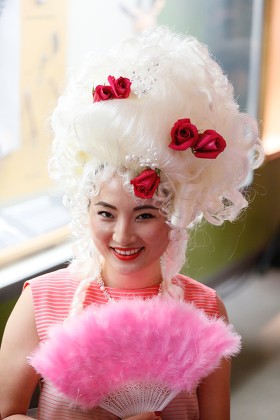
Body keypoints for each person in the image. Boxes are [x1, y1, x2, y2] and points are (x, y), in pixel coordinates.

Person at [0, 26, 263, 420]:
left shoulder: (205, 309)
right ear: (84, 209)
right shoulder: (41, 301)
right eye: (106, 213)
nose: (122, 235)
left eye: (145, 215)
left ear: (175, 217)